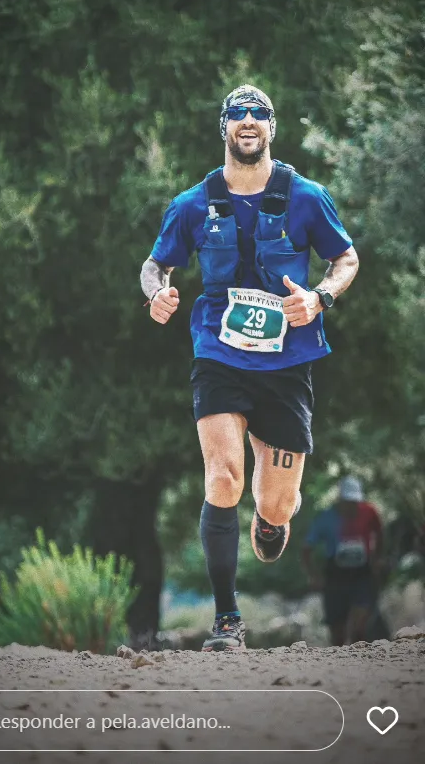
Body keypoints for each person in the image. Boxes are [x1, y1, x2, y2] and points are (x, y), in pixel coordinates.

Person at [140, 84, 359, 652]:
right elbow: (154, 265)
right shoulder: (191, 204)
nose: (246, 121)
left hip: (288, 363)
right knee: (222, 477)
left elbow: (345, 258)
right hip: (219, 354)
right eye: (236, 114)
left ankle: (271, 516)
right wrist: (158, 293)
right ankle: (227, 622)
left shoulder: (307, 196)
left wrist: (320, 298)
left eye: (258, 113)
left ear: (272, 128)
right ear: (223, 128)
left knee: (276, 501)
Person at [302, 475, 384, 645]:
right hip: (335, 574)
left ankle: (359, 657)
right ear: (340, 499)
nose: (352, 505)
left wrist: (377, 558)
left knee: (360, 626)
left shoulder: (369, 512)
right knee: (337, 631)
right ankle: (338, 661)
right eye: (348, 501)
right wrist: (314, 575)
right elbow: (307, 548)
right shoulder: (325, 518)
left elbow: (379, 533)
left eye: (355, 501)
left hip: (362, 571)